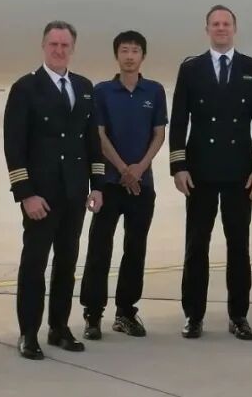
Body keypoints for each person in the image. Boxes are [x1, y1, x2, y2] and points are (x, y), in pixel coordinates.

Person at [3, 20, 105, 360]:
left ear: (72, 49)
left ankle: (59, 327)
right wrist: (25, 194)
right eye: (53, 45)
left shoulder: (84, 87)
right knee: (34, 265)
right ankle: (28, 333)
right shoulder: (26, 88)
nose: (59, 50)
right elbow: (14, 146)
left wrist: (97, 186)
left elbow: (92, 142)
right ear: (43, 46)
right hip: (41, 196)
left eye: (65, 45)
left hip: (74, 193)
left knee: (67, 263)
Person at [169, 4, 252, 340]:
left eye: (226, 23)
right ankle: (193, 315)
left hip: (239, 173)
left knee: (239, 246)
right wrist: (178, 166)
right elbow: (179, 119)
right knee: (196, 246)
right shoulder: (191, 68)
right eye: (215, 24)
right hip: (199, 172)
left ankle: (238, 316)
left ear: (234, 29)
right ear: (207, 30)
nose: (221, 28)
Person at [79, 31, 167, 340]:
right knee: (99, 248)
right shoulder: (102, 91)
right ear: (117, 55)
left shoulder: (154, 91)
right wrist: (122, 169)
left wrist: (139, 168)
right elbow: (99, 135)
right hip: (109, 184)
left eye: (135, 51)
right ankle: (92, 314)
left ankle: (126, 313)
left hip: (142, 185)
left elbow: (159, 134)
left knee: (135, 249)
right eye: (124, 51)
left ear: (143, 56)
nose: (130, 56)